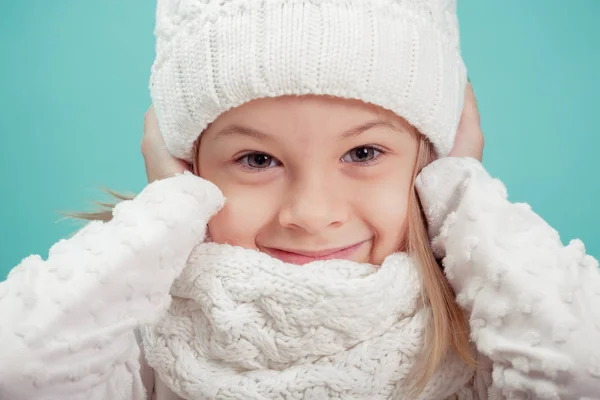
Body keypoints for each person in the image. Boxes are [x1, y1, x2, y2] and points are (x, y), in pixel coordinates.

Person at [1, 0, 599, 399]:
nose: (312, 214)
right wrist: (168, 205)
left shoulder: (488, 340)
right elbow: (18, 367)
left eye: (363, 154)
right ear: (188, 167)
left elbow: (583, 363)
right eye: (258, 160)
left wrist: (461, 189)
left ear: (429, 159)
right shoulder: (135, 338)